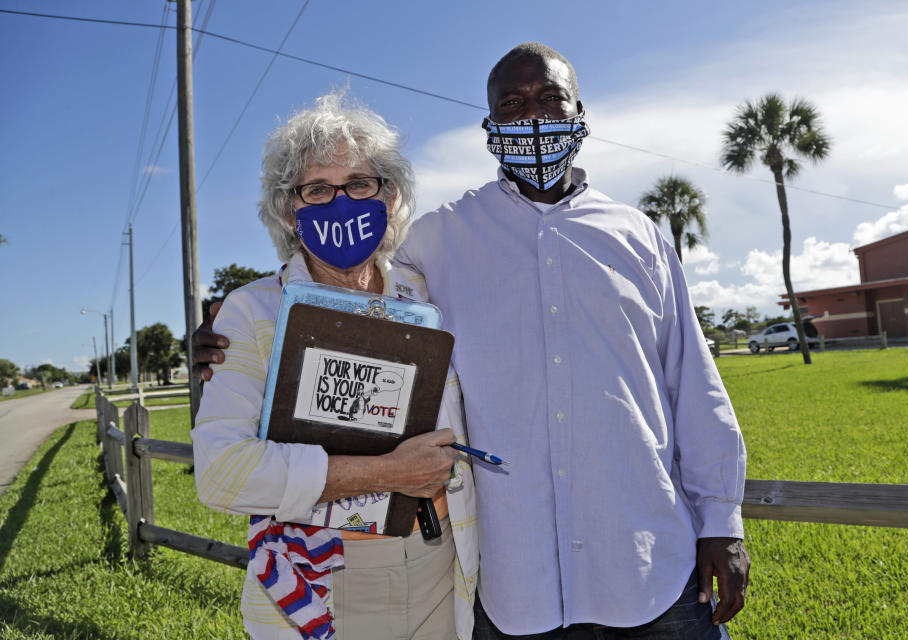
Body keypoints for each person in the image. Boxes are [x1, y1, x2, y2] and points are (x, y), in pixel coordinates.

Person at [196, 43, 749, 639]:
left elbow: (693, 385)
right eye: (513, 104)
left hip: (644, 571)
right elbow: (328, 278)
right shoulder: (438, 243)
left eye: (551, 99)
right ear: (489, 127)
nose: (533, 117)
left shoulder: (634, 238)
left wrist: (723, 519)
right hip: (512, 590)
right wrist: (224, 331)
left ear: (580, 112)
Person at [191, 93, 478, 640]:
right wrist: (387, 474)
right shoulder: (253, 311)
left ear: (389, 195)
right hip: (322, 582)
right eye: (318, 189)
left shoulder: (431, 295)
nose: (341, 202)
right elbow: (221, 474)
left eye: (360, 184)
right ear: (288, 211)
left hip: (442, 570)